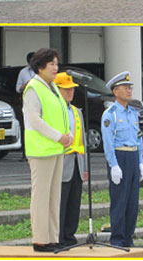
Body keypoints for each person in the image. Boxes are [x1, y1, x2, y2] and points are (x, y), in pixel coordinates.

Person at [22, 48, 72, 252]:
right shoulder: (33, 87)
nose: (55, 68)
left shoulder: (51, 87)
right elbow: (35, 119)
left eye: (57, 63)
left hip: (55, 149)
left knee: (54, 196)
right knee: (41, 196)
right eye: (51, 64)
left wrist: (66, 136)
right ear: (40, 66)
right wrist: (58, 136)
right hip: (41, 149)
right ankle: (40, 239)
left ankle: (53, 237)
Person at [101, 71, 143, 248]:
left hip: (133, 156)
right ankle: (117, 239)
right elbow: (108, 142)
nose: (129, 91)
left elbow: (139, 138)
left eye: (130, 87)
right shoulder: (110, 114)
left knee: (132, 202)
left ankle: (128, 238)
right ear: (115, 91)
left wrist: (141, 162)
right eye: (125, 88)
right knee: (120, 200)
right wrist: (113, 165)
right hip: (119, 157)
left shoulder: (133, 113)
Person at [54, 72, 87, 248]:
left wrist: (86, 166)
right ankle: (58, 239)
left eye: (72, 89)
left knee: (74, 203)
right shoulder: (54, 111)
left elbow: (83, 141)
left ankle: (69, 237)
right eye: (65, 89)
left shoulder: (76, 112)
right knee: (60, 204)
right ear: (57, 90)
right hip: (61, 164)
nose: (70, 93)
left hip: (77, 164)